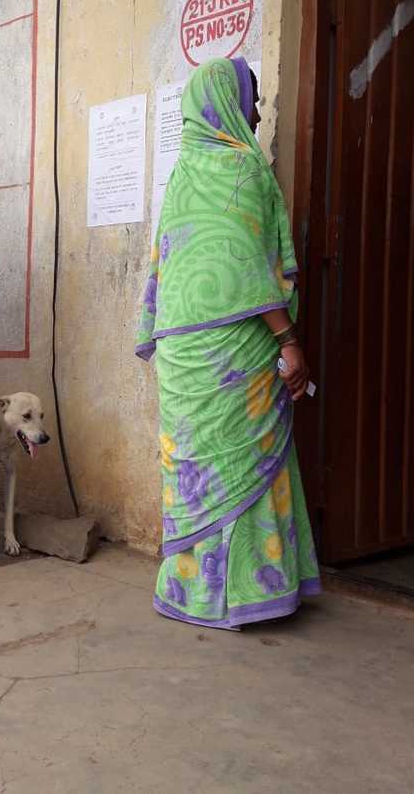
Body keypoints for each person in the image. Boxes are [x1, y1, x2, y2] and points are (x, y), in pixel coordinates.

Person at [135, 57, 320, 629]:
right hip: (238, 351)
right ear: (227, 104)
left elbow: (167, 269)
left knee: (200, 468)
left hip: (185, 358)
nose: (259, 111)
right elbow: (248, 267)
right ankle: (250, 592)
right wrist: (289, 341)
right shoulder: (245, 169)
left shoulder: (182, 176)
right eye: (254, 99)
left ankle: (196, 593)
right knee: (244, 463)